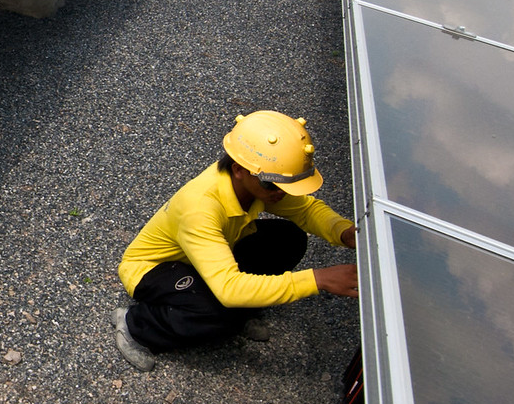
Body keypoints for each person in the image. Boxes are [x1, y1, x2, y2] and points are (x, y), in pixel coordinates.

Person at [112, 110, 357, 371]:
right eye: (274, 186)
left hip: (210, 252)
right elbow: (229, 289)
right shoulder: (200, 207)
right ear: (239, 169)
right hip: (153, 268)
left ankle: (238, 313)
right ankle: (136, 325)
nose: (281, 193)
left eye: (288, 185)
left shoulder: (259, 180)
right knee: (218, 311)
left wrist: (344, 232)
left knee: (288, 239)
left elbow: (306, 210)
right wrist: (318, 279)